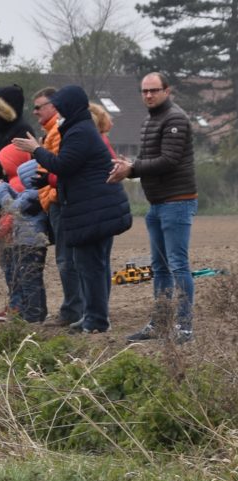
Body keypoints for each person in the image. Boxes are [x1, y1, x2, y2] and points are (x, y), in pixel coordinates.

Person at [13, 85, 132, 334]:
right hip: (91, 208)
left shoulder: (80, 132)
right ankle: (92, 316)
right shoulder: (79, 129)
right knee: (89, 264)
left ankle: (96, 320)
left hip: (93, 209)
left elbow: (64, 165)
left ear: (71, 106)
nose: (58, 110)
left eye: (60, 105)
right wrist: (48, 180)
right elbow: (75, 169)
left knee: (91, 266)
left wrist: (36, 150)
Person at [108, 72, 197, 345]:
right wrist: (127, 166)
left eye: (154, 90)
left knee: (178, 265)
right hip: (157, 204)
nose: (148, 95)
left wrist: (132, 169)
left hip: (177, 201)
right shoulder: (149, 120)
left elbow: (168, 161)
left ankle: (184, 326)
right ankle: (159, 322)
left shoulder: (175, 119)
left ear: (167, 91)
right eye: (144, 91)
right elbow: (147, 159)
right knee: (159, 267)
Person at [31, 87, 81, 328]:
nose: (35, 111)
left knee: (66, 258)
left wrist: (50, 194)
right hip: (51, 200)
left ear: (53, 106)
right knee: (65, 257)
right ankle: (74, 308)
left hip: (58, 201)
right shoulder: (49, 131)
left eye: (39, 106)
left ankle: (73, 310)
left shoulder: (58, 131)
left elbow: (60, 166)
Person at [0, 154, 49, 323]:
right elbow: (19, 197)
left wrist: (1, 190)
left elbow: (12, 207)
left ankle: (32, 315)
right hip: (35, 243)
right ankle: (38, 312)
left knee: (28, 280)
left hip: (28, 244)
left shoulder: (32, 195)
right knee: (33, 278)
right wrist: (8, 188)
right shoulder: (34, 193)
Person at [0, 85, 33, 231]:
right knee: (0, 244)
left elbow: (23, 168)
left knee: (12, 243)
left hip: (12, 196)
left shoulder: (22, 130)